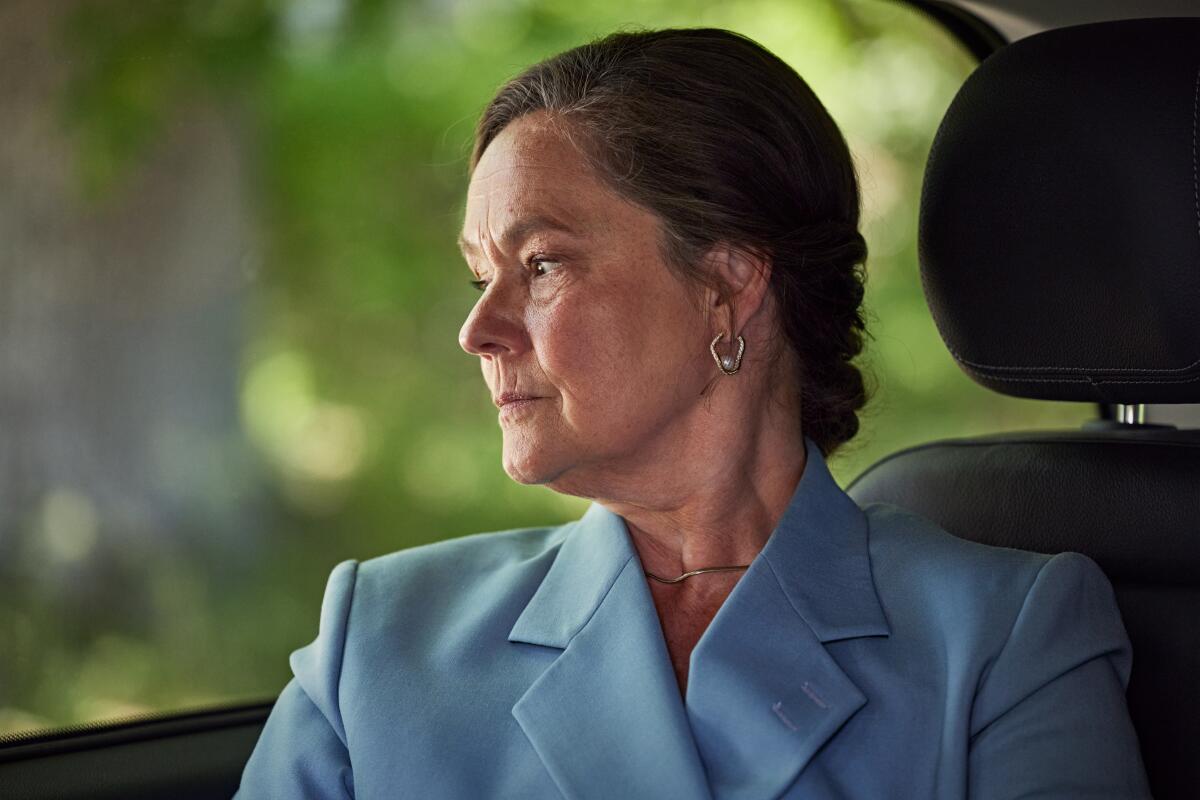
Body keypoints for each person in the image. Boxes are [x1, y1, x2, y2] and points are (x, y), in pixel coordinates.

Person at [234, 27, 1150, 799]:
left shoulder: (1005, 640)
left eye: (541, 264)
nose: (478, 329)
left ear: (728, 286)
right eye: (483, 276)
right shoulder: (379, 639)